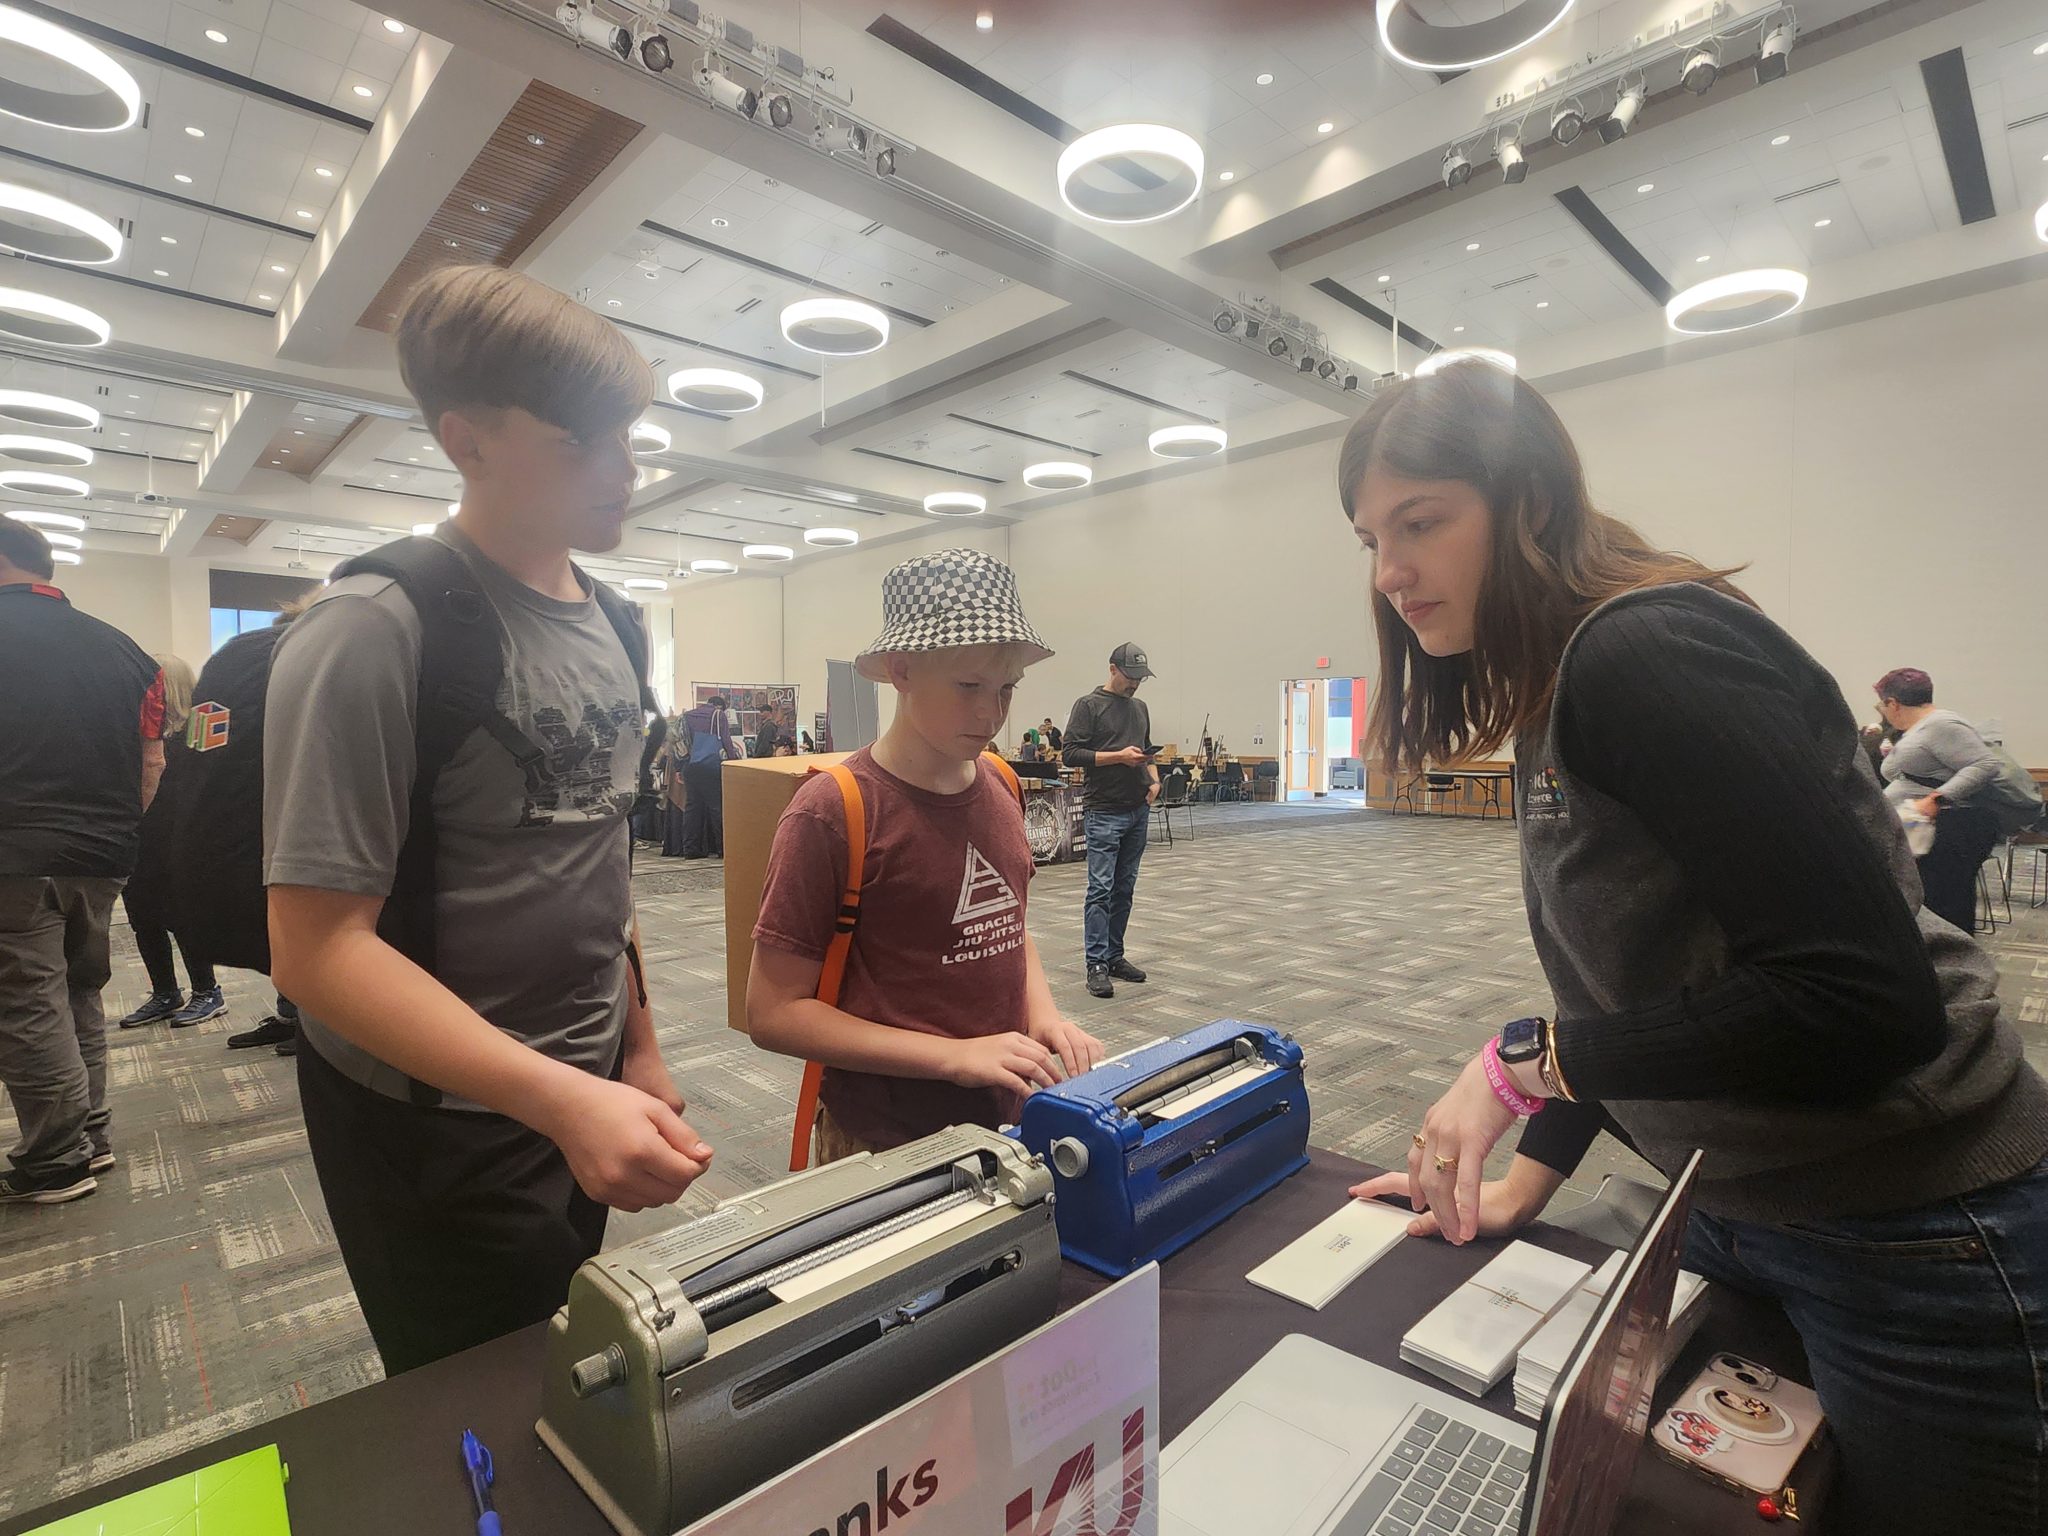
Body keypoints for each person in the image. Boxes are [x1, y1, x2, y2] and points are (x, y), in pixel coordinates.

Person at [1336, 362, 2048, 1534]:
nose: (1389, 571)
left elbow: (1863, 1000)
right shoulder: (1560, 680)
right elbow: (1630, 985)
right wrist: (1532, 1170)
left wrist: (1524, 1063)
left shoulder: (1640, 653)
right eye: (1370, 536)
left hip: (1910, 1227)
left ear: (1524, 504)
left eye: (1421, 522)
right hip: (1743, 1193)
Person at [263, 265, 712, 1374]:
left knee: (577, 1371)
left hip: (577, 1085)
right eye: (581, 443)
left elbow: (600, 862)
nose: (625, 470)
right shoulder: (371, 629)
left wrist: (633, 1051)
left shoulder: (613, 619)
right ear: (466, 443)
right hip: (435, 1119)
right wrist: (558, 1096)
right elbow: (315, 950)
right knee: (488, 1411)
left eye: (629, 435)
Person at [747, 548, 1102, 1163]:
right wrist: (953, 1057)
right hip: (885, 1143)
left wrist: (1041, 1015)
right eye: (968, 686)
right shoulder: (834, 812)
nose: (991, 713)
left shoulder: (999, 782)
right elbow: (773, 1012)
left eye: (1006, 689)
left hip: (1006, 1121)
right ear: (901, 670)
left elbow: (1006, 922)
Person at [0, 519, 166, 1203]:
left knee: (27, 1004)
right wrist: (119, 833)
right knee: (77, 991)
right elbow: (151, 763)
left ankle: (55, 1160)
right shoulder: (129, 652)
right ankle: (90, 1136)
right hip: (106, 851)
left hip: (15, 851)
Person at [116, 655, 231, 1031]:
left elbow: (212, 784)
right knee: (143, 917)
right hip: (140, 834)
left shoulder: (202, 724)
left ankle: (207, 992)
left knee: (184, 917)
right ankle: (165, 993)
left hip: (182, 838)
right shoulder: (138, 730)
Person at [1872, 667, 2004, 935]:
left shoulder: (1941, 724)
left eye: (1882, 706)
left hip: (1949, 829)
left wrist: (1937, 799)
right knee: (1928, 900)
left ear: (1892, 703)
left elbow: (1986, 764)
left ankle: (1952, 966)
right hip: (1928, 829)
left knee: (1945, 904)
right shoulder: (1919, 728)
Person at [1062, 643, 1160, 1000]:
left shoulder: (1140, 708)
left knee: (1124, 888)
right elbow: (1071, 754)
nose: (1135, 685)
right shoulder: (1089, 706)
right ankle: (1096, 964)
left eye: (1140, 679)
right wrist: (1117, 756)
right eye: (1130, 677)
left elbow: (1146, 748)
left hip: (1137, 808)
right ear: (1113, 669)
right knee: (1100, 890)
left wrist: (1154, 779)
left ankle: (1115, 956)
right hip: (1103, 810)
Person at [676, 694, 741, 857]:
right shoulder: (718, 715)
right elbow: (726, 741)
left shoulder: (686, 715)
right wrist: (733, 762)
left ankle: (691, 850)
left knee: (692, 808)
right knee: (716, 807)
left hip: (690, 766)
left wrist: (679, 768)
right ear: (720, 707)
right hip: (711, 766)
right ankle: (722, 850)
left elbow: (678, 742)